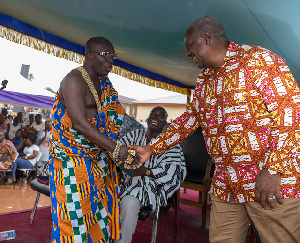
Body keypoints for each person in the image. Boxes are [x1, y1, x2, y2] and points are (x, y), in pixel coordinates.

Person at [131, 16, 300, 243]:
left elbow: (290, 115)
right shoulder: (204, 81)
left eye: (190, 46)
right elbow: (189, 120)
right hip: (226, 184)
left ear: (207, 38)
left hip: (266, 181)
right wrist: (151, 149)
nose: (188, 53)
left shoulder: (258, 60)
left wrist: (273, 169)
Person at [49, 36, 141, 243]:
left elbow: (116, 121)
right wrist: (117, 150)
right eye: (106, 55)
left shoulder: (105, 84)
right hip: (71, 163)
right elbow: (80, 123)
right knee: (73, 224)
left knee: (97, 219)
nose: (111, 61)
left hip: (98, 161)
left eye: (113, 56)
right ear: (89, 55)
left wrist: (131, 148)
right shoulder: (73, 80)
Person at [115, 106, 186, 243]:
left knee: (129, 202)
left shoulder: (170, 143)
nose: (155, 117)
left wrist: (145, 171)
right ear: (147, 119)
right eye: (153, 114)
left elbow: (175, 172)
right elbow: (118, 152)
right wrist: (120, 168)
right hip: (127, 182)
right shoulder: (134, 135)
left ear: (165, 122)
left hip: (154, 188)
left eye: (160, 115)